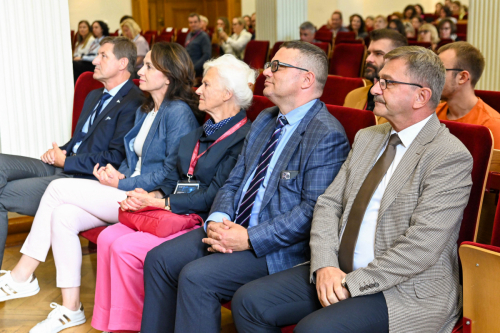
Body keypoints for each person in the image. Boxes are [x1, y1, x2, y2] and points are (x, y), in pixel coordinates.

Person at [232, 45, 473, 333]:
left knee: (315, 329)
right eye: (377, 81)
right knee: (248, 301)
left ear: (421, 96)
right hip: (336, 268)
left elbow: (421, 247)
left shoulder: (448, 156)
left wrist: (351, 283)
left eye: (387, 83)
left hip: (402, 288)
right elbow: (328, 204)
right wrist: (324, 265)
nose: (374, 90)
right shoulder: (368, 137)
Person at [140, 41, 350, 333]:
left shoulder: (326, 134)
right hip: (232, 226)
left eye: (277, 66)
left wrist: (249, 238)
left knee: (195, 277)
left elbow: (310, 212)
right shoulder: (266, 119)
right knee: (159, 260)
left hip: (276, 247)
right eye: (269, 65)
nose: (266, 72)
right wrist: (218, 218)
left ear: (306, 79)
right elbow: (235, 180)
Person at [0, 42, 200, 332]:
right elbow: (131, 160)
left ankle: (22, 276)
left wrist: (123, 181)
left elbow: (170, 174)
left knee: (57, 190)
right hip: (126, 187)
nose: (139, 70)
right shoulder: (147, 109)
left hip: (144, 196)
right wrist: (116, 173)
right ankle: (71, 310)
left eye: (147, 67)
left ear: (167, 76)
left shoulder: (177, 112)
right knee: (64, 215)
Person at [91, 54, 254, 333]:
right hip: (177, 208)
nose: (198, 90)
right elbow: (172, 177)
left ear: (228, 94)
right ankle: (114, 325)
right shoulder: (200, 132)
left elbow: (213, 196)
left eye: (206, 85)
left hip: (200, 216)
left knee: (126, 247)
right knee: (108, 236)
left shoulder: (243, 138)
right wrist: (149, 195)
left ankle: (133, 324)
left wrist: (162, 201)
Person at [0, 37, 143, 268]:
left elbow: (115, 158)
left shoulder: (134, 102)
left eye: (103, 55)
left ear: (122, 63)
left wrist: (66, 160)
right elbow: (80, 140)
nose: (95, 60)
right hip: (63, 164)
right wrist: (61, 151)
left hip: (80, 177)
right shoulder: (94, 95)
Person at [436, 42, 500, 149]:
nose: (432, 78)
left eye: (440, 71)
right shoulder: (430, 114)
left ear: (462, 77)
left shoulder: (491, 126)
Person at [344, 29, 408, 124]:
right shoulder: (353, 96)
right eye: (369, 53)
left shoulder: (404, 105)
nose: (368, 59)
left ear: (398, 59)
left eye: (378, 54)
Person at [185, 13, 212, 77]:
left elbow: (207, 55)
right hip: (188, 67)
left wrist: (194, 68)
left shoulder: (204, 36)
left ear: (200, 23)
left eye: (195, 22)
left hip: (197, 70)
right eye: (191, 22)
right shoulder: (189, 35)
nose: (193, 24)